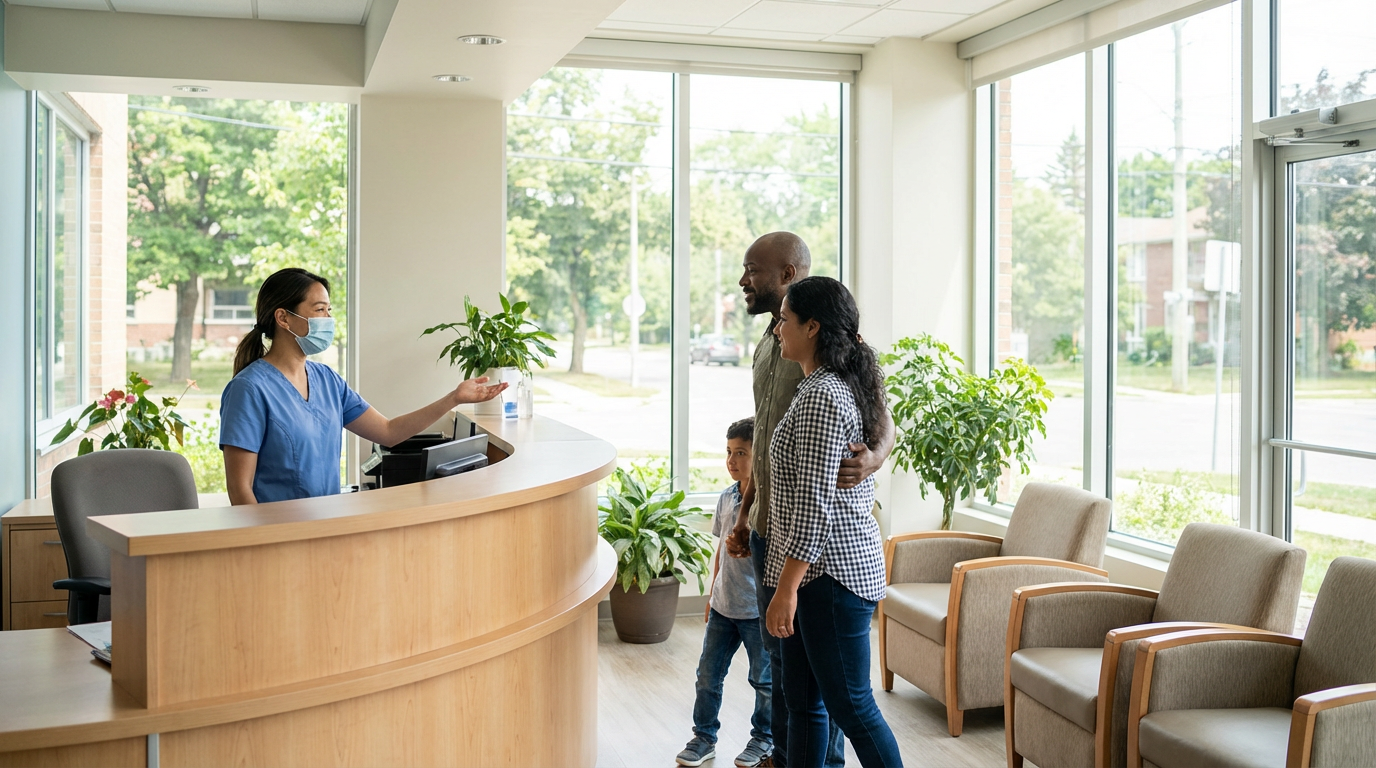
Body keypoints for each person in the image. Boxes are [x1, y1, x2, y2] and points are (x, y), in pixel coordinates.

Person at [725, 232, 894, 768]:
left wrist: (873, 457)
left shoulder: (832, 379)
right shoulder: (771, 350)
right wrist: (747, 510)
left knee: (840, 701)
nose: (743, 280)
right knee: (796, 697)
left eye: (753, 270)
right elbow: (769, 446)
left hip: (822, 564)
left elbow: (878, 427)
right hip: (776, 540)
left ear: (789, 275)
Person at [764, 276, 903, 767]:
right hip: (817, 576)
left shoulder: (824, 396)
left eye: (785, 320)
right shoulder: (824, 385)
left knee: (851, 706)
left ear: (813, 326)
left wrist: (787, 590)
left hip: (830, 579)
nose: (778, 328)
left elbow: (814, 507)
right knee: (804, 705)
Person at [220, 268, 506, 505]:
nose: (328, 320)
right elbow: (240, 490)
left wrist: (453, 398)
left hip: (325, 531)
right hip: (279, 540)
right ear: (283, 318)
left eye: (329, 310)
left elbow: (388, 432)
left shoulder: (327, 380)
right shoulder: (249, 390)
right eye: (319, 310)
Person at [676, 417, 774, 768]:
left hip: (756, 612)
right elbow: (721, 553)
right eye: (729, 452)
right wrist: (712, 593)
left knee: (763, 682)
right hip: (723, 606)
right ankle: (704, 737)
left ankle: (764, 740)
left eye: (742, 453)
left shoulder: (768, 506)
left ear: (758, 456)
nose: (732, 461)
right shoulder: (725, 498)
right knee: (708, 675)